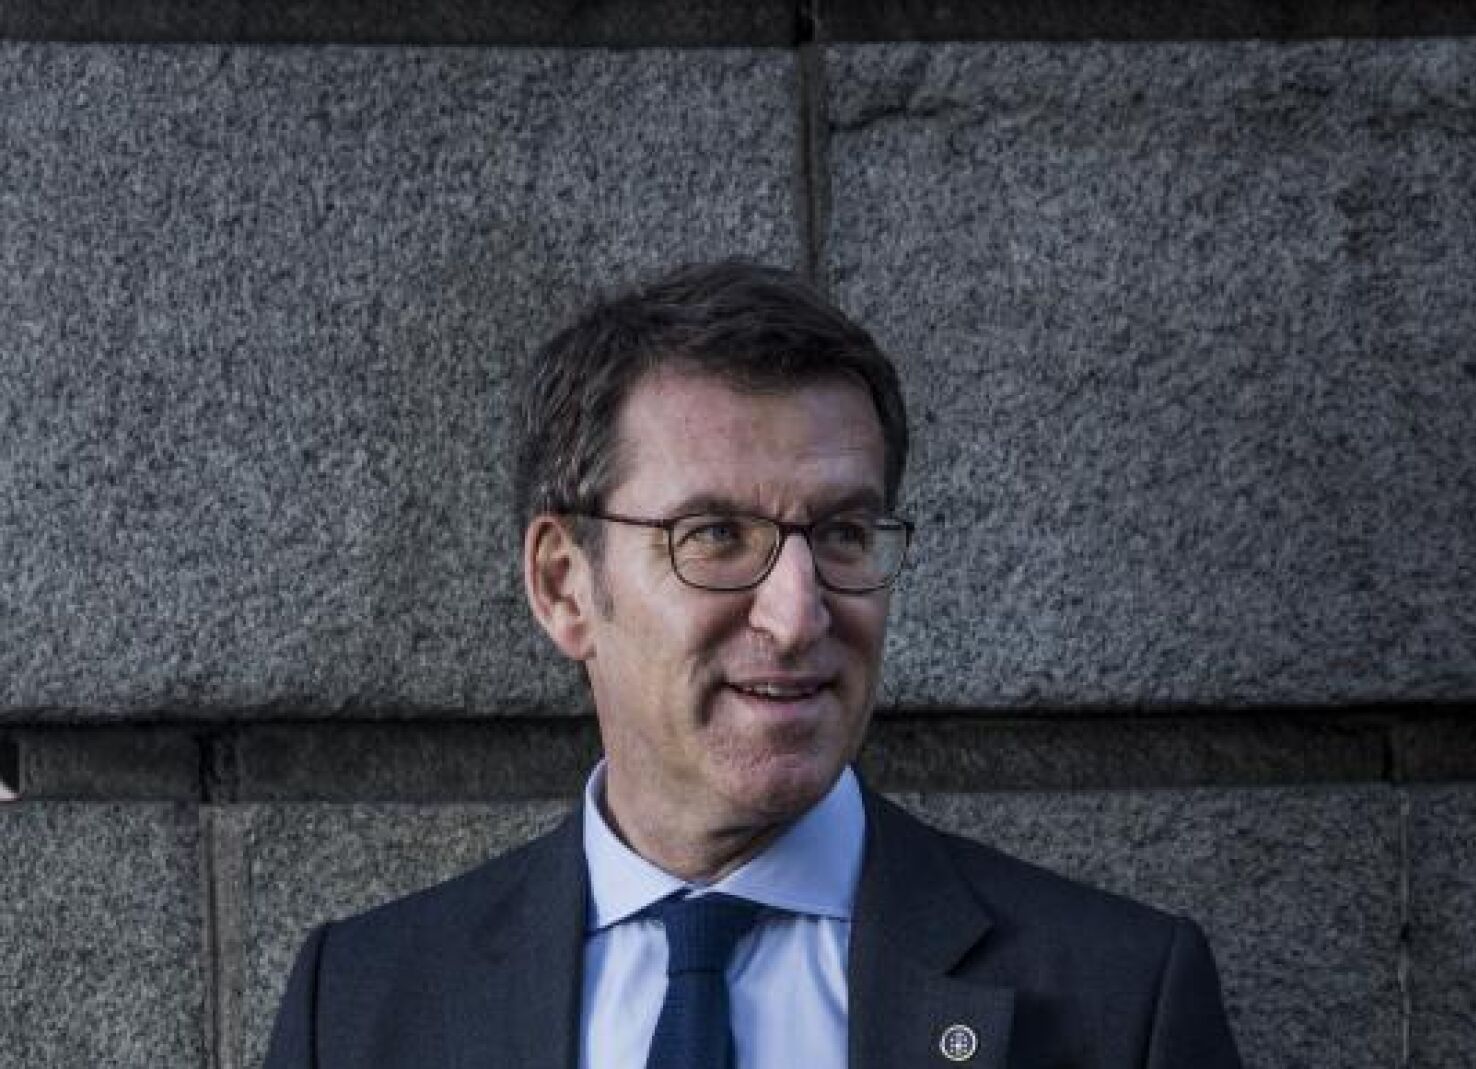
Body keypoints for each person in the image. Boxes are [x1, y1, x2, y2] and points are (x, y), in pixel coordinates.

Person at [262, 261, 1242, 1069]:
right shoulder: (358, 1006)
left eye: (843, 532)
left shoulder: (1120, 999)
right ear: (565, 586)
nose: (798, 614)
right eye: (716, 534)